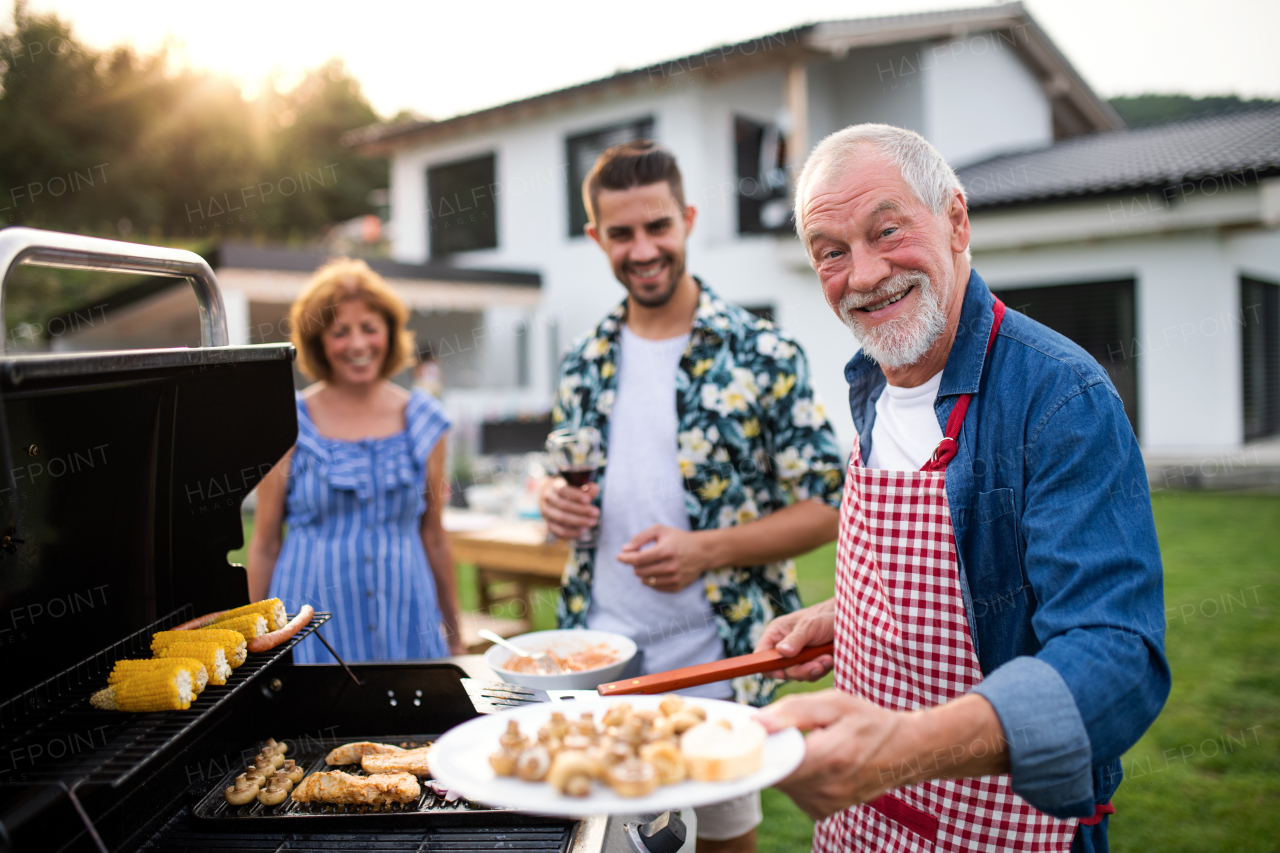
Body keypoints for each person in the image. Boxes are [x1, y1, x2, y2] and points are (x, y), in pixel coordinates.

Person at [754, 124, 1169, 852]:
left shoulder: (1061, 397)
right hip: (870, 822)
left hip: (1011, 824)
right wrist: (846, 615)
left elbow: (1118, 656)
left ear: (955, 219)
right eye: (831, 252)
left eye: (887, 230)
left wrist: (902, 748)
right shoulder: (871, 385)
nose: (864, 274)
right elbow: (953, 579)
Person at [540, 140, 845, 853]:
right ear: (596, 237)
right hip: (599, 659)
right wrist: (558, 505)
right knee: (598, 843)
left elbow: (830, 504)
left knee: (720, 844)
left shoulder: (762, 352)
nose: (642, 249)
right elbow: (573, 483)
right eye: (622, 233)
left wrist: (703, 549)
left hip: (715, 660)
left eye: (658, 227)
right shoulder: (583, 362)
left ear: (688, 219)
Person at [248, 258, 465, 661]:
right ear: (318, 341)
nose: (359, 344)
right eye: (340, 332)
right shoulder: (286, 422)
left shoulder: (425, 420)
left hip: (408, 622)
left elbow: (434, 536)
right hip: (308, 629)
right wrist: (249, 646)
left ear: (389, 332)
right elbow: (263, 544)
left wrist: (455, 635)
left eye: (370, 328)